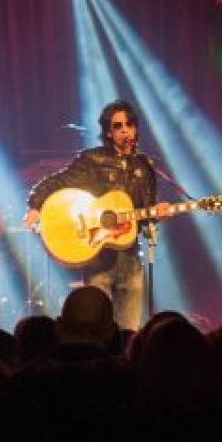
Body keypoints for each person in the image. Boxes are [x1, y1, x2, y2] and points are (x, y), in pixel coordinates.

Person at [23, 100, 168, 331]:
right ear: (109, 133)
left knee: (130, 331)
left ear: (135, 128)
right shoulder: (93, 160)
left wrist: (156, 214)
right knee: (97, 329)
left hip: (131, 259)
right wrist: (35, 206)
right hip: (98, 258)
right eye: (118, 126)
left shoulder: (145, 166)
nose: (124, 129)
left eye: (129, 124)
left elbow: (145, 213)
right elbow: (56, 182)